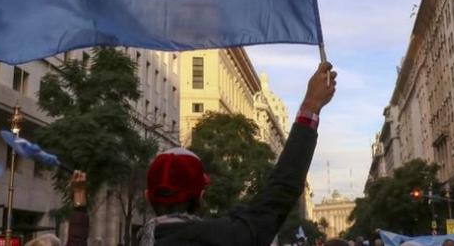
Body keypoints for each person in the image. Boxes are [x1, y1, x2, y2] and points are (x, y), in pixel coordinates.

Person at [138, 61, 337, 245]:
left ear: (148, 197)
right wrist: (311, 106)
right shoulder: (232, 237)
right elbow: (282, 189)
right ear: (201, 197)